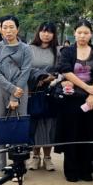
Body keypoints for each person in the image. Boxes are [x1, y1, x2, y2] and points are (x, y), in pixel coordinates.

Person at [55, 19, 93, 182]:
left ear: (91, 34)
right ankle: (71, 170)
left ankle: (85, 169)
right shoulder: (67, 51)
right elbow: (65, 70)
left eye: (86, 33)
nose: (82, 36)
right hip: (71, 99)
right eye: (79, 32)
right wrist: (86, 87)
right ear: (74, 33)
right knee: (71, 134)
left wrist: (92, 94)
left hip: (90, 100)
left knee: (88, 133)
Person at [0, 15, 33, 180]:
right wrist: (12, 89)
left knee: (18, 128)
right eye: (5, 27)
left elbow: (26, 71)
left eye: (11, 27)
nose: (8, 30)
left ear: (17, 29)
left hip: (21, 89)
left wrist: (15, 95)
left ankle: (18, 167)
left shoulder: (26, 48)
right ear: (0, 29)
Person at [27, 22, 59, 171]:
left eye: (50, 32)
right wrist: (36, 79)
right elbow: (26, 69)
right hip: (33, 92)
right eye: (43, 31)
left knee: (49, 125)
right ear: (38, 32)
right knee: (35, 123)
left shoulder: (57, 51)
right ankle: (35, 156)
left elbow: (60, 71)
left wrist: (49, 78)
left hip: (50, 92)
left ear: (54, 34)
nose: (46, 34)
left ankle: (47, 157)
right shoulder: (29, 49)